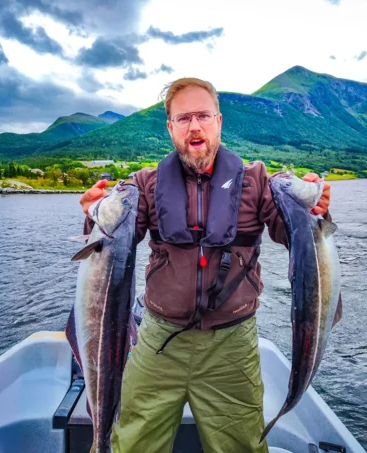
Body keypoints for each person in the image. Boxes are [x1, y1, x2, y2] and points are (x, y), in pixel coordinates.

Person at [79, 77, 331, 453]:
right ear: (170, 128)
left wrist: (314, 210)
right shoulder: (145, 185)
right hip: (158, 341)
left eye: (203, 116)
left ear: (219, 121)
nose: (194, 126)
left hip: (231, 346)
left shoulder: (258, 181)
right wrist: (94, 217)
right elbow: (114, 246)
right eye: (183, 119)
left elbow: (292, 233)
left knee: (240, 446)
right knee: (133, 443)